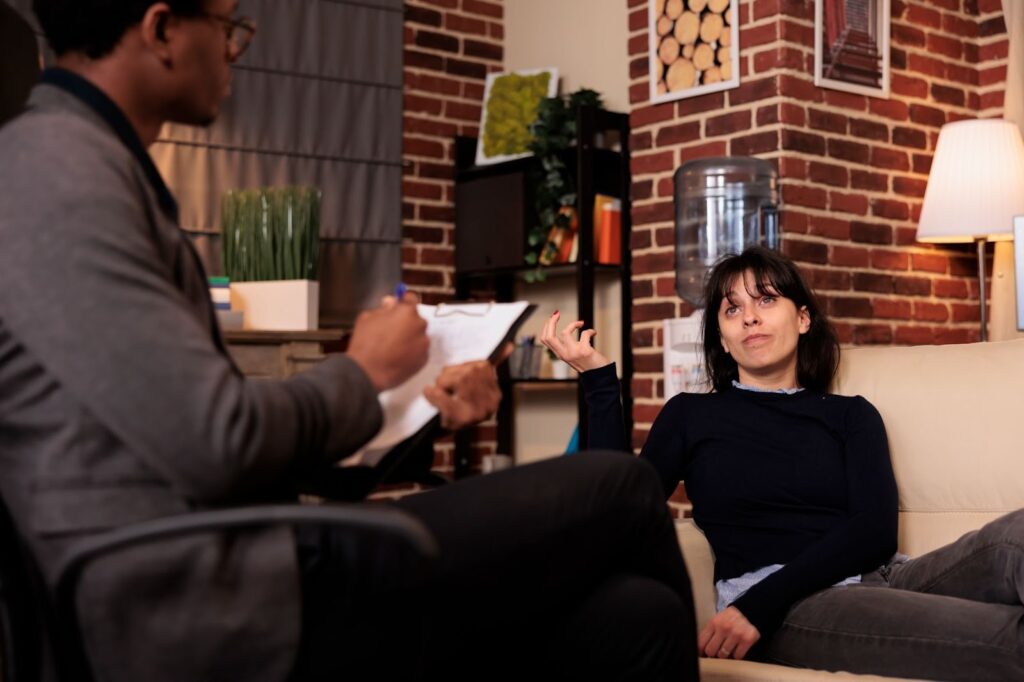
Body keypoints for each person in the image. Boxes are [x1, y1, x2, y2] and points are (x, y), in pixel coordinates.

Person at [0, 1, 700, 681]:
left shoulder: (86, 166)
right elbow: (218, 441)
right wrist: (362, 372)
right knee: (626, 483)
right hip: (201, 603)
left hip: (233, 562)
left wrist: (412, 407)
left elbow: (192, 432)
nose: (235, 51)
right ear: (161, 29)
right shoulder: (58, 172)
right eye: (227, 26)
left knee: (639, 618)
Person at [542, 245, 1024, 681]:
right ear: (723, 340)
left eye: (766, 300)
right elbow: (616, 509)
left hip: (888, 577)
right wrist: (600, 382)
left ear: (803, 319)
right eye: (733, 309)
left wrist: (762, 603)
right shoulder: (692, 415)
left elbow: (874, 530)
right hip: (790, 606)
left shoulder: (850, 414)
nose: (749, 317)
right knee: (1007, 637)